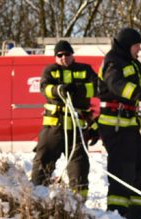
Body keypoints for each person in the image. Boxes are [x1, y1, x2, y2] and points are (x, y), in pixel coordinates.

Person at [97, 28, 141, 219]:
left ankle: (138, 215)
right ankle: (116, 217)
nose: (139, 49)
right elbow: (117, 85)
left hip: (129, 125)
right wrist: (140, 92)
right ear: (127, 44)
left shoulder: (132, 62)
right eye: (136, 45)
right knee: (123, 172)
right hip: (114, 125)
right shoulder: (113, 62)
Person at [30, 40, 98, 197]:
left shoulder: (85, 70)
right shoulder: (50, 70)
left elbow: (98, 88)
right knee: (43, 162)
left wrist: (78, 89)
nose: (63, 58)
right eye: (59, 55)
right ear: (55, 57)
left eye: (67, 54)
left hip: (77, 129)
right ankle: (37, 197)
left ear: (72, 54)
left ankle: (79, 203)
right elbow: (44, 88)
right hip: (55, 127)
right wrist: (58, 89)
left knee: (79, 167)